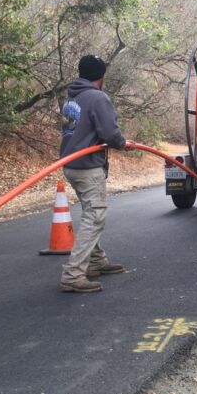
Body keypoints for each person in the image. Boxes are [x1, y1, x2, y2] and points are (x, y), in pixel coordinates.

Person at [58, 54, 135, 293]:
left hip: (72, 165)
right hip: (88, 166)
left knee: (91, 213)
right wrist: (122, 143)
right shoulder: (97, 98)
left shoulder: (73, 97)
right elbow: (110, 132)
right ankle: (73, 275)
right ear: (101, 76)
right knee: (95, 216)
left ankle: (96, 261)